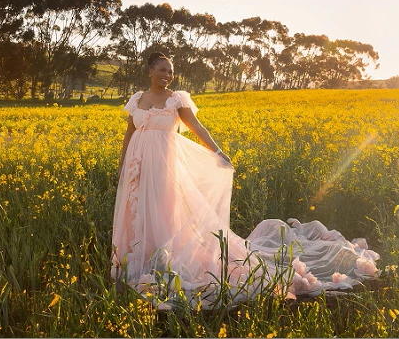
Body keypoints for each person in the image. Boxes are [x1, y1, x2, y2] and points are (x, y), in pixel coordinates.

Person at [111, 51, 380, 310]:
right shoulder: (137, 99)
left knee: (163, 214)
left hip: (165, 168)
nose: (167, 75)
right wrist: (123, 164)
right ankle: (137, 266)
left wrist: (217, 151)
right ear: (150, 71)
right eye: (162, 70)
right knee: (137, 213)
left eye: (170, 71)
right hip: (139, 166)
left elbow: (198, 128)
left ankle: (163, 265)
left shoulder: (176, 100)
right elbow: (129, 133)